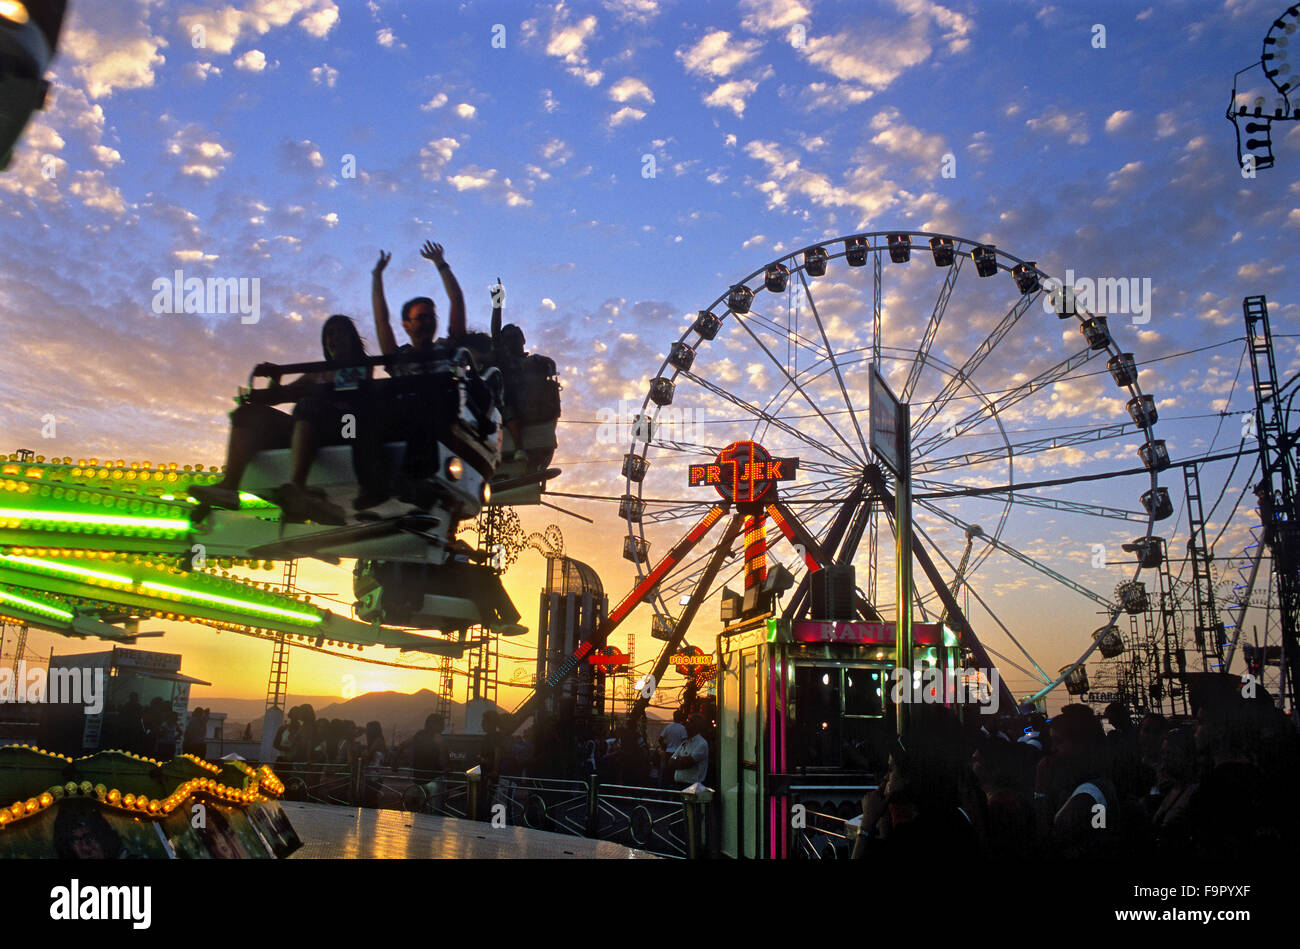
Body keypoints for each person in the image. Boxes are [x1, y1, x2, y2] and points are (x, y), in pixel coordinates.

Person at [188, 314, 372, 525]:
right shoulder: (316, 374)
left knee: (308, 405)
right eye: (330, 333)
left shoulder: (362, 366)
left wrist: (311, 392)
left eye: (341, 332)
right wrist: (276, 379)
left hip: (347, 428)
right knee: (248, 414)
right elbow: (277, 397)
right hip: (308, 426)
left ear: (352, 337)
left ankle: (298, 486)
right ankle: (230, 486)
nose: (335, 338)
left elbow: (348, 392)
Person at [667, 713, 709, 790]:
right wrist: (681, 760)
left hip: (693, 787)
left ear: (695, 726)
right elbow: (671, 762)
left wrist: (678, 760)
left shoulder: (701, 744)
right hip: (679, 785)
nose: (685, 728)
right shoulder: (685, 743)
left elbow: (688, 763)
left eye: (689, 724)